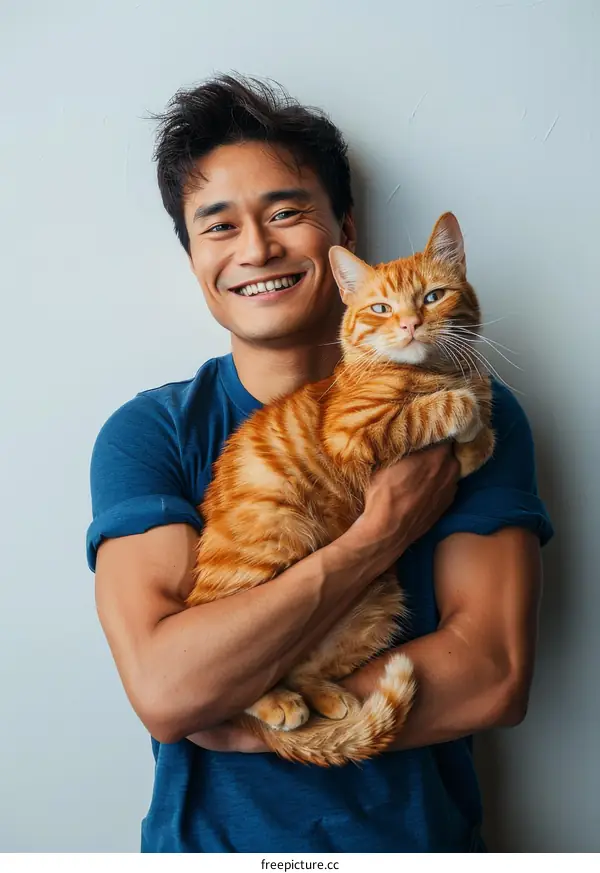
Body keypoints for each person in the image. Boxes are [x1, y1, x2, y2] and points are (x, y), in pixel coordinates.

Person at [87, 74, 553, 853]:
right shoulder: (152, 431)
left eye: (285, 212)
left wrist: (250, 720)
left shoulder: (475, 403)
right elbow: (169, 689)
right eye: (218, 226)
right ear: (193, 255)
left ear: (344, 231)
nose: (258, 249)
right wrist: (377, 535)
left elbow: (494, 672)